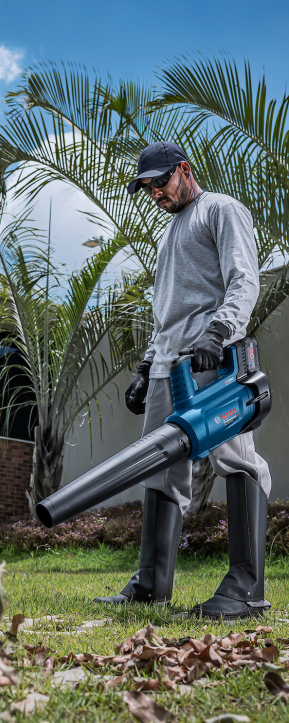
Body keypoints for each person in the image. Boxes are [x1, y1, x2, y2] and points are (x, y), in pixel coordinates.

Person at [94, 141, 272, 619]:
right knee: (159, 467)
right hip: (167, 366)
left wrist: (219, 330)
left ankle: (245, 587)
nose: (154, 193)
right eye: (147, 187)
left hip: (212, 358)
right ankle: (153, 583)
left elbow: (244, 280)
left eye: (160, 182)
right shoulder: (169, 233)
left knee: (236, 459)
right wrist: (144, 365)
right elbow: (167, 311)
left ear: (184, 170)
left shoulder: (221, 210)